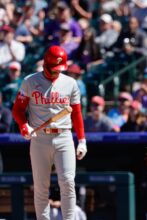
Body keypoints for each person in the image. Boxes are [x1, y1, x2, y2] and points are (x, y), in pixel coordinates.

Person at [11, 45, 87, 220]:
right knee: (41, 186)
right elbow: (17, 110)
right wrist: (24, 126)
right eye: (54, 70)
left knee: (68, 182)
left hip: (64, 136)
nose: (56, 73)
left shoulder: (70, 83)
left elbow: (76, 113)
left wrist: (82, 140)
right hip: (40, 138)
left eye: (59, 69)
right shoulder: (30, 81)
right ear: (45, 65)